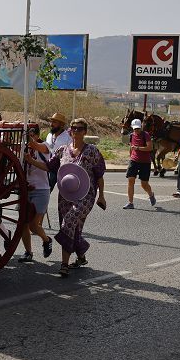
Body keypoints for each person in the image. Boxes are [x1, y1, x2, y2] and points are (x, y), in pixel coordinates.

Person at [45, 118, 106, 277]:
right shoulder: (62, 150)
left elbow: (99, 175)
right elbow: (49, 167)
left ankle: (64, 265)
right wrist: (30, 160)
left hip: (86, 196)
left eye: (79, 129)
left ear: (85, 132)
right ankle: (81, 257)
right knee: (74, 228)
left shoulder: (92, 151)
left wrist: (102, 196)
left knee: (69, 222)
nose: (76, 131)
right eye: (73, 128)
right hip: (65, 195)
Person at [18, 126, 54, 263]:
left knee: (34, 225)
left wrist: (25, 136)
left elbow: (34, 144)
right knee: (23, 224)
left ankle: (46, 240)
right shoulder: (23, 147)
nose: (29, 137)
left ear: (37, 134)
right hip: (26, 189)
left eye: (32, 133)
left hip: (41, 189)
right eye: (28, 134)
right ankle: (28, 252)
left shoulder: (44, 146)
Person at [124, 118, 157, 209]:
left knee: (144, 184)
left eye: (138, 128)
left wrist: (138, 148)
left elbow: (150, 148)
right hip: (134, 161)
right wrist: (131, 156)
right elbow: (131, 147)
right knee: (131, 180)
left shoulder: (145, 135)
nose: (136, 130)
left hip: (145, 162)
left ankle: (151, 194)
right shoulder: (131, 135)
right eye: (135, 129)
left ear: (141, 127)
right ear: (132, 128)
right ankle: (130, 203)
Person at [44, 112, 72, 190]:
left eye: (54, 122)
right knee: (46, 190)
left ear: (61, 125)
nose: (51, 124)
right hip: (48, 166)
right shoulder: (49, 135)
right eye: (51, 122)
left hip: (61, 169)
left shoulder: (67, 137)